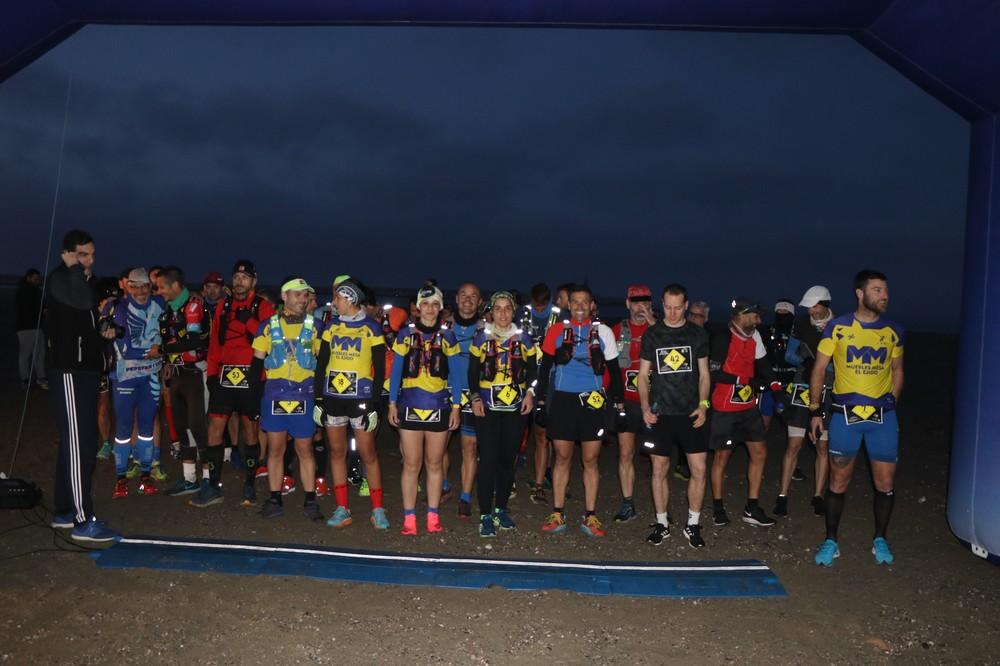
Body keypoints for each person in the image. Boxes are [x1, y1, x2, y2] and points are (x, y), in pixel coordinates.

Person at [812, 270, 904, 567]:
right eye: (877, 290)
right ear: (860, 294)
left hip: (882, 418)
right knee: (838, 481)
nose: (884, 295)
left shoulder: (894, 330)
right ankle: (831, 540)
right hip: (844, 417)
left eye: (885, 290)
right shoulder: (837, 328)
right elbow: (818, 369)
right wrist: (815, 410)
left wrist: (892, 402)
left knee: (885, 482)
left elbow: (897, 369)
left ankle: (881, 538)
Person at [45, 230, 119, 542]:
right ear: (69, 254)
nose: (89, 260)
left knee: (75, 442)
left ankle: (63, 511)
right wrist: (75, 269)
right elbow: (83, 300)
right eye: (82, 255)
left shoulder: (82, 279)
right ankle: (81, 520)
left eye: (92, 254)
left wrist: (103, 329)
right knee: (80, 445)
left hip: (87, 371)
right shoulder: (62, 279)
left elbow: (87, 315)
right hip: (69, 372)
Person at [535, 284, 623, 537]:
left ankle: (591, 515)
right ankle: (557, 512)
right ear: (569, 305)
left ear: (592, 305)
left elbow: (614, 371)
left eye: (585, 302)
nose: (581, 307)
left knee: (590, 459)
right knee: (562, 457)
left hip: (593, 401)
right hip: (563, 400)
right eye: (576, 302)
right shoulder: (556, 331)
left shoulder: (603, 331)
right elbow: (544, 370)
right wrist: (541, 402)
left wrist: (619, 404)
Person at [637, 284, 711, 547]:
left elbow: (704, 374)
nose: (672, 312)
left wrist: (703, 405)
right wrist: (645, 407)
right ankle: (661, 523)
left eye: (677, 307)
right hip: (661, 413)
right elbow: (642, 377)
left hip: (691, 412)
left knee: (699, 469)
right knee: (659, 468)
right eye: (667, 306)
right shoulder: (653, 335)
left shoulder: (696, 334)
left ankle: (692, 524)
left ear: (686, 305)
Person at [313, 278, 389, 530]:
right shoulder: (331, 327)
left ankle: (378, 509)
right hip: (333, 399)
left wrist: (376, 405)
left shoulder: (372, 328)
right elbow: (321, 366)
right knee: (336, 452)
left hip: (361, 400)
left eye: (338, 298)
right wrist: (319, 401)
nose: (334, 302)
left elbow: (379, 371)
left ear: (351, 300)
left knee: (368, 454)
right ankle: (342, 507)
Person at [388, 282, 462, 535]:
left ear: (440, 308)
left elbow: (457, 375)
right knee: (411, 464)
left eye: (434, 305)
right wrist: (391, 403)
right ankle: (409, 517)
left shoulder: (448, 336)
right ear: (418, 308)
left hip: (439, 405)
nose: (429, 309)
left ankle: (433, 515)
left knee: (434, 464)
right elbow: (397, 370)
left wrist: (456, 406)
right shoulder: (405, 335)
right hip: (410, 404)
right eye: (425, 304)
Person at [200, 260, 275, 506]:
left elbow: (271, 341)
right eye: (236, 276)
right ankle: (213, 485)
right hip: (224, 375)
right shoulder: (223, 305)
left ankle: (250, 483)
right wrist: (211, 374)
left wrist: (249, 321)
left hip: (252, 377)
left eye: (245, 277)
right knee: (214, 428)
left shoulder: (263, 307)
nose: (239, 280)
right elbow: (214, 343)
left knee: (250, 430)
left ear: (254, 281)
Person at [708, 298, 786, 528]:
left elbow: (764, 366)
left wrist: (776, 389)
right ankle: (718, 507)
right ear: (741, 315)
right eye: (755, 315)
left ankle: (752, 507)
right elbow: (714, 374)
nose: (759, 319)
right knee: (722, 456)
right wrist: (745, 380)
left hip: (748, 406)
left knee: (760, 452)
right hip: (725, 407)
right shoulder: (723, 337)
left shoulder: (755, 336)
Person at [254, 278, 324, 521]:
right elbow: (256, 363)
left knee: (305, 448)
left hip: (304, 393)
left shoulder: (316, 326)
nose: (303, 299)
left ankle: (310, 500)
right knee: (276, 449)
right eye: (298, 295)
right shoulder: (266, 326)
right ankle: (274, 498)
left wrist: (321, 397)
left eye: (306, 295)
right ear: (284, 296)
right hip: (275, 393)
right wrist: (255, 397)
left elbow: (323, 363)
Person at [468, 291, 537, 537]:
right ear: (491, 311)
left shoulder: (524, 339)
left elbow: (534, 372)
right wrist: (474, 398)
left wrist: (530, 393)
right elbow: (472, 372)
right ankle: (485, 514)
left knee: (508, 461)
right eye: (498, 308)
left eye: (507, 308)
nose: (503, 313)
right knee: (487, 460)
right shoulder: (480, 338)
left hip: (515, 408)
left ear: (514, 310)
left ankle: (501, 509)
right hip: (487, 407)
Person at [774, 285, 835, 517]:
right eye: (808, 307)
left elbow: (842, 362)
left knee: (822, 446)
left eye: (814, 307)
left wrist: (823, 366)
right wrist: (807, 361)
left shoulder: (839, 326)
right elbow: (789, 355)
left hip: (828, 390)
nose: (810, 311)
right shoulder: (800, 323)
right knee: (794, 445)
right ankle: (782, 496)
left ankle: (818, 496)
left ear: (825, 305)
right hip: (801, 388)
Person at [155, 266, 212, 505]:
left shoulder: (193, 306)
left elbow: (193, 340)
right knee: (182, 428)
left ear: (175, 285)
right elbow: (171, 340)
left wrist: (163, 350)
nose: (158, 292)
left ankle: (210, 481)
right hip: (177, 375)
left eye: (161, 287)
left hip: (195, 374)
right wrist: (167, 360)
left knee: (199, 427)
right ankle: (190, 479)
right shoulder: (168, 311)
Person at [108, 268, 167, 499]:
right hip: (125, 377)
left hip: (150, 377)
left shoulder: (160, 303)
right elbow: (125, 348)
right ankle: (120, 479)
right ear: (127, 286)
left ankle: (145, 475)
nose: (141, 291)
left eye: (145, 286)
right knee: (123, 430)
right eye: (135, 286)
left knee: (146, 429)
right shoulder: (119, 309)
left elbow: (177, 301)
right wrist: (155, 351)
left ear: (150, 287)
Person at [609, 285, 657, 523]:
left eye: (645, 302)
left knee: (658, 456)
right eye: (636, 302)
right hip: (627, 403)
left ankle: (661, 509)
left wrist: (654, 323)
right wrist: (614, 400)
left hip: (656, 405)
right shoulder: (618, 330)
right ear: (628, 303)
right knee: (626, 453)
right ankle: (628, 503)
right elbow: (609, 369)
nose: (641, 307)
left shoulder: (660, 329)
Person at [526, 283, 572, 505]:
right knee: (539, 435)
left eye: (544, 304)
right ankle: (537, 483)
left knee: (556, 436)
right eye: (537, 304)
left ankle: (554, 479)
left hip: (555, 379)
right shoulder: (522, 314)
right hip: (527, 377)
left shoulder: (561, 315)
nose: (541, 308)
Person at [445, 282, 484, 518]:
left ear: (479, 302)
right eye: (463, 295)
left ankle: (465, 497)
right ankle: (444, 487)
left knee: (469, 447)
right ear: (457, 299)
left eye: (473, 296)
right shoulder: (444, 327)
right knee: (437, 449)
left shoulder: (485, 330)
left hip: (472, 394)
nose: (468, 299)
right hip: (443, 392)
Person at [15, 268, 47, 390]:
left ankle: (41, 378)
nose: (37, 281)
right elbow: (31, 308)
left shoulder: (37, 290)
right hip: (25, 328)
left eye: (38, 279)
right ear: (28, 278)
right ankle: (25, 379)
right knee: (25, 354)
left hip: (37, 327)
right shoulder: (23, 290)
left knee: (39, 354)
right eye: (35, 278)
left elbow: (43, 306)